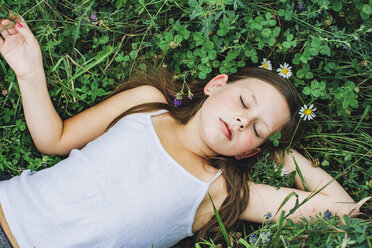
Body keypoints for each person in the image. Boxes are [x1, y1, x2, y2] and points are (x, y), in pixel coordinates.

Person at [0, 15, 358, 248]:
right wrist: (29, 71)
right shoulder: (147, 102)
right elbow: (55, 140)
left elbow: (346, 210)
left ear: (250, 152)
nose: (240, 122)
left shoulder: (221, 192)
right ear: (216, 85)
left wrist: (286, 156)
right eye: (244, 103)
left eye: (257, 129)